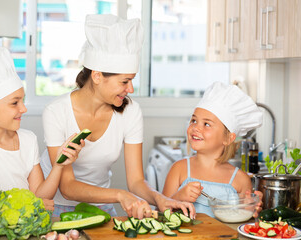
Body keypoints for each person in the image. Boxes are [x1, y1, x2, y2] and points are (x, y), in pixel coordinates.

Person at [40, 14, 195, 219]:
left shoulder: (130, 111)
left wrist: (159, 198)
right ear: (97, 76)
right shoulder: (56, 112)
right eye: (124, 81)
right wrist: (120, 195)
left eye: (132, 81)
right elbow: (67, 187)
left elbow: (136, 181)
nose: (130, 89)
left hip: (101, 206)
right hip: (55, 207)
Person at [0, 47, 83, 214]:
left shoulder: (28, 139)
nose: (24, 108)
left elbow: (39, 196)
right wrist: (19, 208)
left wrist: (59, 165)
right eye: (15, 103)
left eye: (23, 101)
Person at [162, 81, 263, 218]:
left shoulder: (240, 180)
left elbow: (243, 221)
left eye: (207, 124)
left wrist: (251, 209)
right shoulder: (179, 169)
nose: (196, 127)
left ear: (228, 138)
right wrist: (178, 198)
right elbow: (161, 214)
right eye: (194, 121)